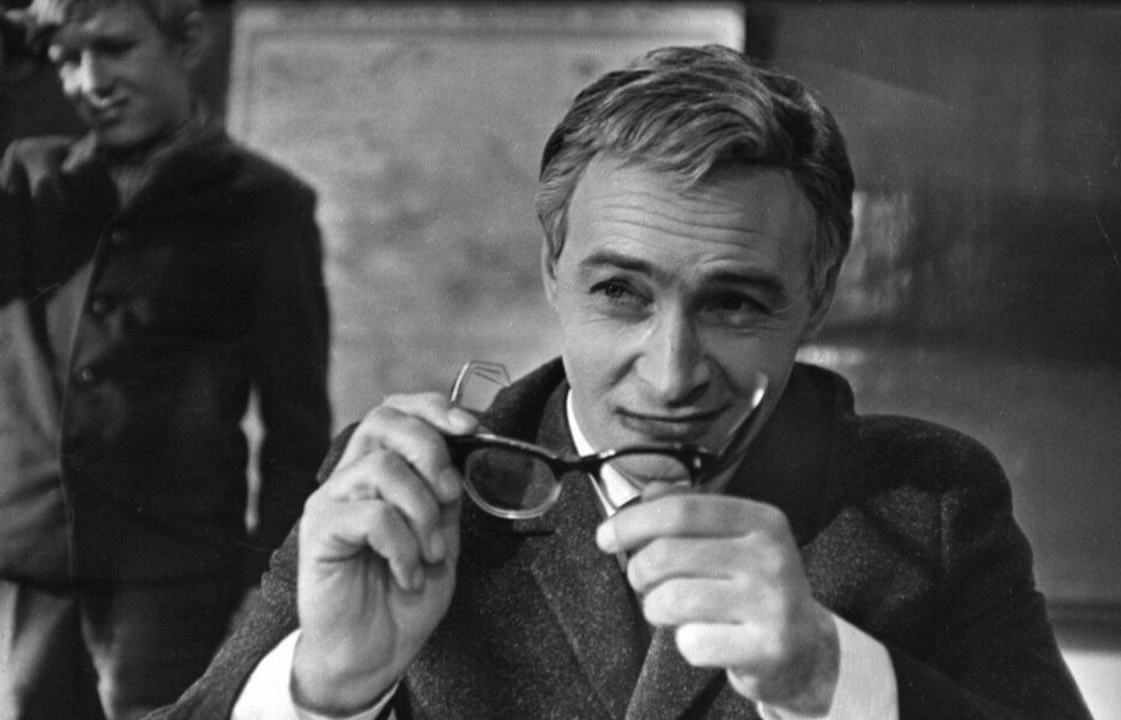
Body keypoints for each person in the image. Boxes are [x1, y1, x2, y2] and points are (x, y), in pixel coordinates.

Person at [148, 45, 1092, 720]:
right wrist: (323, 690)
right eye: (619, 293)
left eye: (734, 304)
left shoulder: (929, 503)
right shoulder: (403, 487)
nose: (670, 374)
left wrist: (830, 679)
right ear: (552, 272)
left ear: (816, 297)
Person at [0, 1, 331, 718]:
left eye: (114, 47)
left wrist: (269, 598)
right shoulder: (29, 178)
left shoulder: (263, 203)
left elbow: (296, 428)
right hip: (17, 569)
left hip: (173, 586)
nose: (90, 81)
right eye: (67, 58)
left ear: (188, 41)